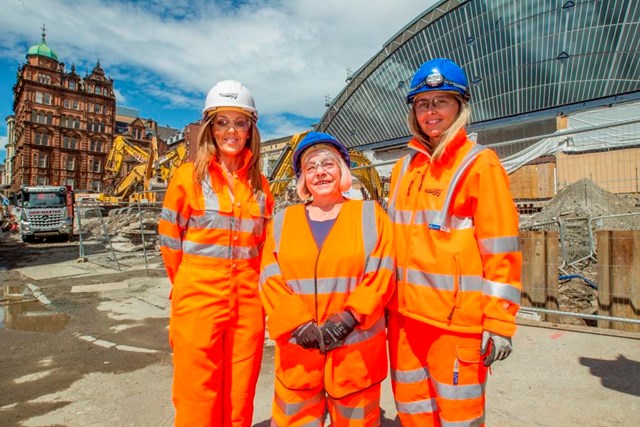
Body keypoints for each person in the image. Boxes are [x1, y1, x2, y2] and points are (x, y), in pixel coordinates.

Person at [386, 58, 522, 426]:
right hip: (403, 322)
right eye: (423, 103)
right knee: (412, 413)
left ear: (460, 106)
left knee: (458, 418)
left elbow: (502, 249)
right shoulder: (403, 169)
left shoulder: (480, 165)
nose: (431, 111)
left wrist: (499, 321)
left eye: (441, 101)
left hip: (454, 325)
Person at [259, 131, 395, 426]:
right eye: (310, 167)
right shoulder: (283, 222)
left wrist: (348, 318)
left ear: (343, 170)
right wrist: (299, 323)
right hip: (299, 355)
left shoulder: (370, 215)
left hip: (355, 356)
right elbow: (270, 278)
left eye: (328, 163)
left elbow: (383, 271)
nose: (320, 172)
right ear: (302, 179)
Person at [158, 80, 274, 427]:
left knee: (240, 392)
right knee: (197, 392)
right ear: (210, 127)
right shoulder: (186, 179)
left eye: (240, 122)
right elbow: (170, 242)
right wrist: (186, 286)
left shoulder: (260, 184)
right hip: (197, 296)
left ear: (251, 128)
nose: (232, 131)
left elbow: (264, 244)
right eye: (222, 122)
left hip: (248, 301)